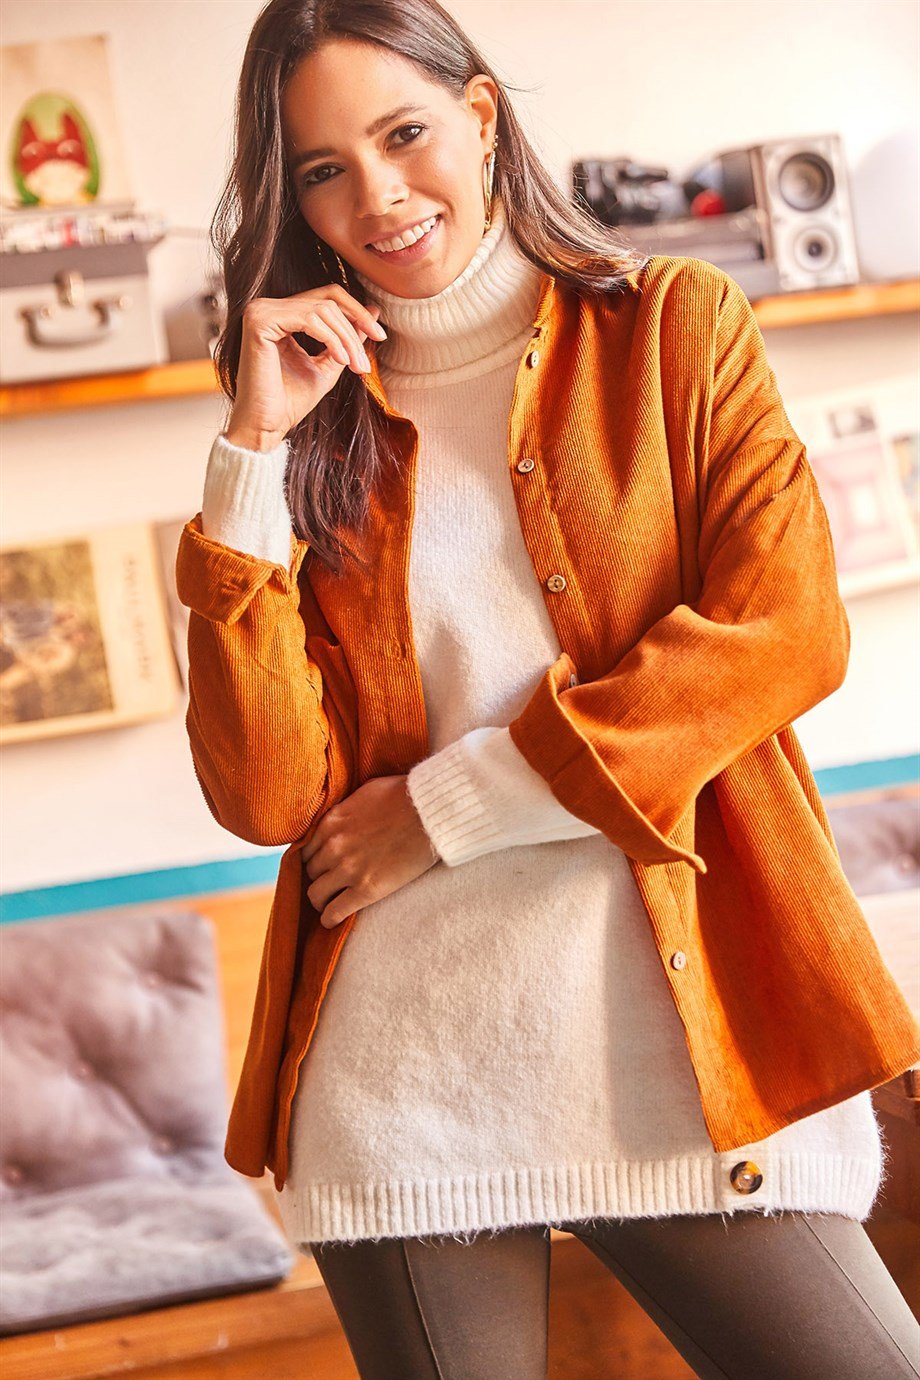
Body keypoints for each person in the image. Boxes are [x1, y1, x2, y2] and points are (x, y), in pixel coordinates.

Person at [180, 1, 920, 1376]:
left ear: (481, 116)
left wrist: (451, 807)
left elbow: (785, 633)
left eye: (404, 135)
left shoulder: (672, 332)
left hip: (682, 1051)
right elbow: (271, 791)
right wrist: (249, 456)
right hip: (404, 1072)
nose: (380, 196)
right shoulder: (311, 428)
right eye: (325, 169)